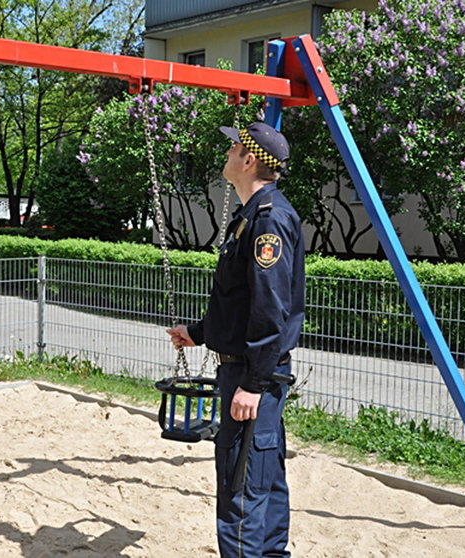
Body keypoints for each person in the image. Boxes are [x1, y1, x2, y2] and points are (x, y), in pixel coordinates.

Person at [166, 122, 305, 557]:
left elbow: (270, 308)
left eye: (233, 148)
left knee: (241, 489)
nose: (227, 153)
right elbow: (241, 301)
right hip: (248, 369)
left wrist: (253, 384)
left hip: (250, 375)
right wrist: (199, 333)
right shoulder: (251, 217)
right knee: (264, 476)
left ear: (249, 161)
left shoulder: (268, 221)